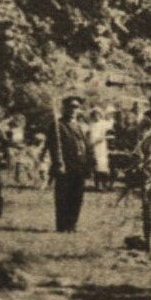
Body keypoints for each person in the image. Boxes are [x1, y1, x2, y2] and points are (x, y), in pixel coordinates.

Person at [47, 95, 92, 232]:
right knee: (63, 197)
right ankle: (62, 226)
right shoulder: (57, 125)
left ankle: (72, 225)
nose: (73, 110)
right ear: (64, 108)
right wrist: (58, 163)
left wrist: (89, 164)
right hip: (65, 165)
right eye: (71, 107)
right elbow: (53, 147)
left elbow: (86, 146)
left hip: (80, 165)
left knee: (77, 197)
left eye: (76, 107)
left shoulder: (80, 126)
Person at [87, 107, 114, 191]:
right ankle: (98, 184)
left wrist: (105, 137)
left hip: (102, 146)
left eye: (98, 114)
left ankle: (104, 184)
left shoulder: (104, 123)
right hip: (93, 146)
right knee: (96, 165)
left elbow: (111, 132)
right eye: (94, 114)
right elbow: (89, 136)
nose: (96, 116)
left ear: (100, 115)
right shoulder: (90, 124)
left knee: (103, 165)